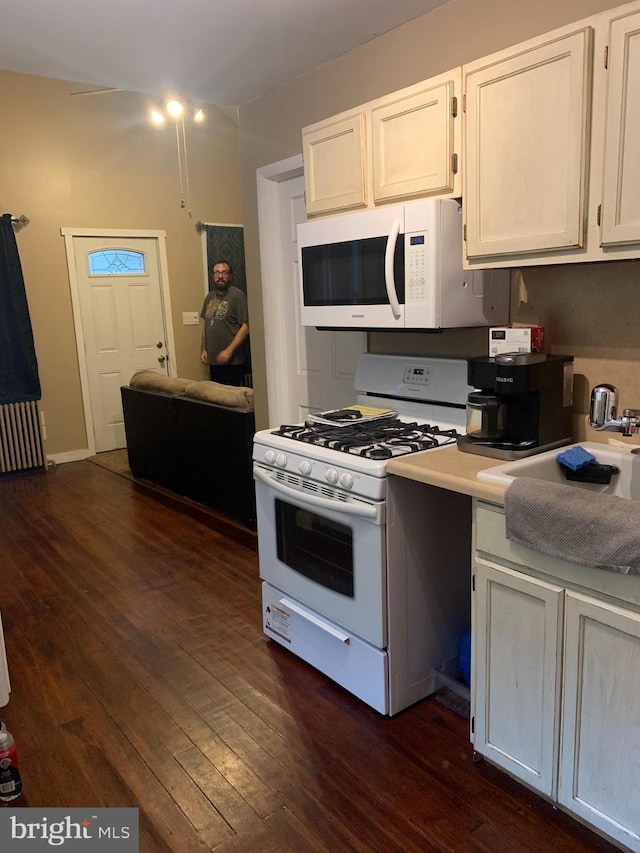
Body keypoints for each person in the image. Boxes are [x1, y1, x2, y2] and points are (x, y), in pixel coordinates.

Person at [200, 260, 250, 387]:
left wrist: (229, 351)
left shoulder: (237, 296)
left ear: (230, 276)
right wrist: (204, 349)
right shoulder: (209, 297)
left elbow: (246, 326)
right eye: (217, 273)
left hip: (233, 361)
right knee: (216, 397)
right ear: (213, 276)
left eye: (224, 273)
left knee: (233, 399)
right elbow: (206, 324)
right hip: (214, 360)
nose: (220, 276)